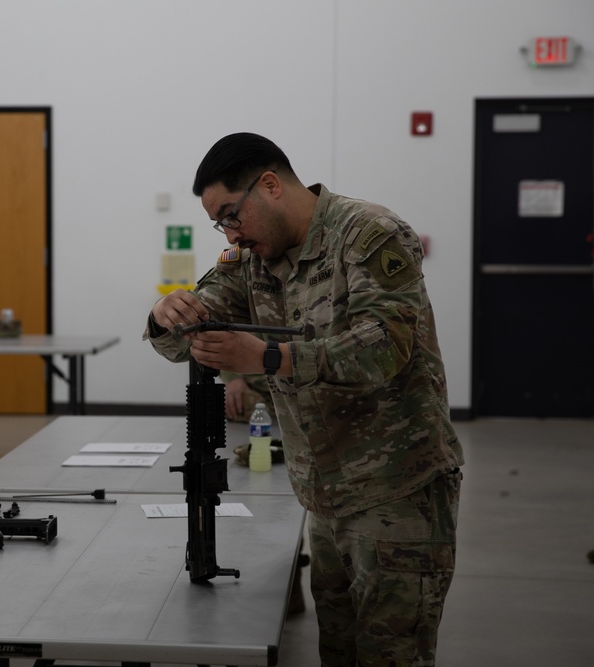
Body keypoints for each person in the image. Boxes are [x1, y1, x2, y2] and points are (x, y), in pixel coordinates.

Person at [145, 132, 464, 666]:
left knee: (392, 654)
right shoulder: (249, 259)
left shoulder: (369, 235)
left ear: (269, 185)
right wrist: (166, 316)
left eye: (230, 214)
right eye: (218, 223)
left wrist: (267, 358)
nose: (229, 232)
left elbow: (386, 347)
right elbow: (192, 336)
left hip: (397, 493)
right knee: (337, 648)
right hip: (324, 496)